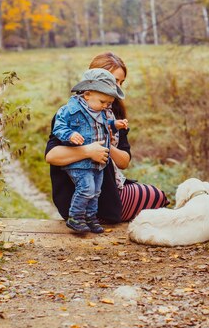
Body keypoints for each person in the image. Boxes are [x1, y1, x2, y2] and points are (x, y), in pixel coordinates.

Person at [45, 52, 169, 223]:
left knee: (157, 195)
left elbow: (124, 162)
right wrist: (88, 150)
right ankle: (86, 216)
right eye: (114, 81)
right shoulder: (70, 113)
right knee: (156, 197)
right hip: (78, 194)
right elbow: (52, 156)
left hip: (110, 185)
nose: (117, 87)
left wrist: (106, 144)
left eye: (121, 82)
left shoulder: (112, 113)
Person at [52, 68, 127, 233]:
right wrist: (70, 134)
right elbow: (59, 126)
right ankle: (76, 217)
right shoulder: (70, 110)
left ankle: (91, 218)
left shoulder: (100, 110)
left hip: (98, 163)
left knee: (96, 192)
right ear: (87, 94)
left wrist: (115, 125)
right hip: (80, 163)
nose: (106, 106)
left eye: (109, 103)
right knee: (86, 189)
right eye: (103, 102)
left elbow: (104, 126)